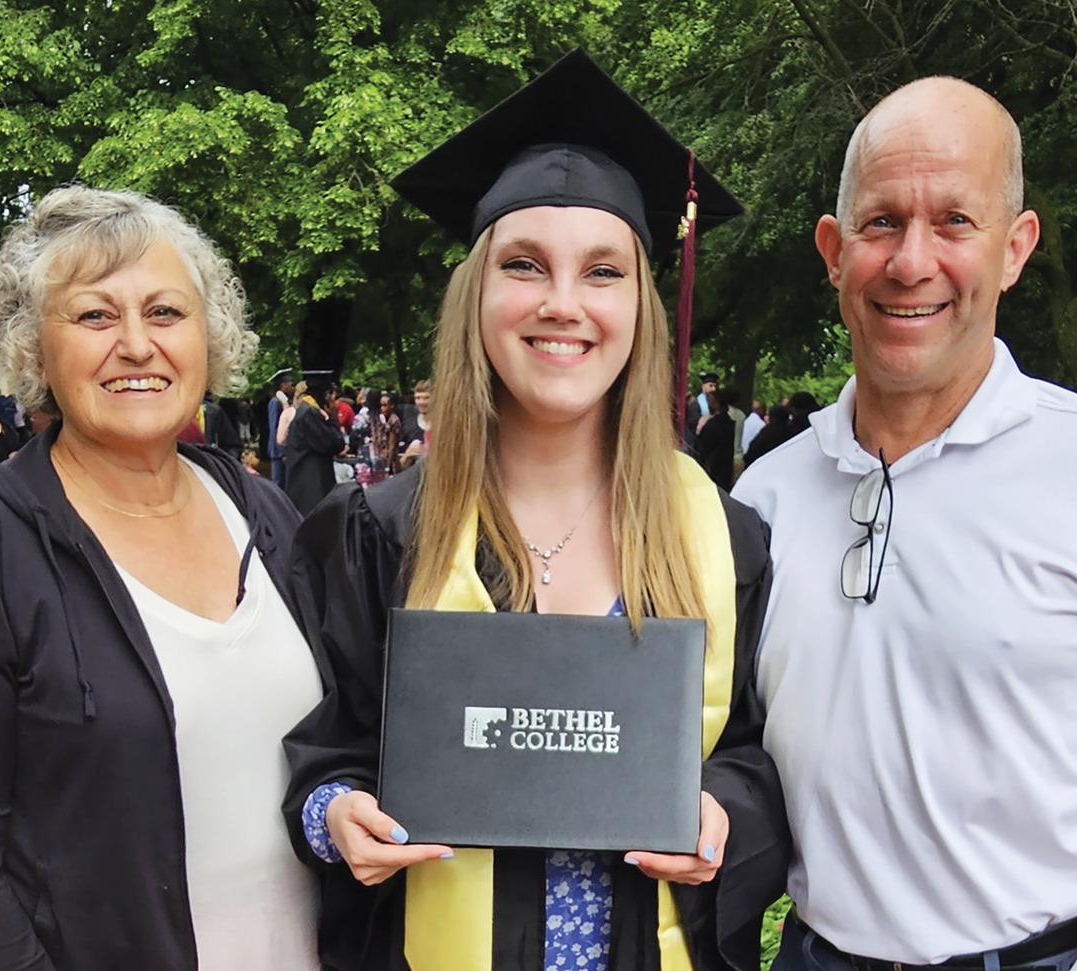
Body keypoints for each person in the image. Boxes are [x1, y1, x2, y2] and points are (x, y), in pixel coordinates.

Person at [282, 49, 790, 971]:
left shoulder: (721, 538)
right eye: (525, 264)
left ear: (643, 301)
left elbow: (755, 755)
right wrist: (336, 815)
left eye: (603, 271)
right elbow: (329, 751)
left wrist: (723, 813)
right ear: (476, 293)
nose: (564, 304)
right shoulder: (384, 534)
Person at [732, 76, 1077, 970]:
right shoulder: (764, 499)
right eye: (883, 221)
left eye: (956, 223)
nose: (910, 261)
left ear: (1016, 248)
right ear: (833, 248)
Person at [0, 185, 324, 971]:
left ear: (207, 337)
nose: (136, 344)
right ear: (34, 347)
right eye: (96, 316)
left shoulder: (260, 510)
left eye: (165, 313)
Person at [284, 371, 346, 517]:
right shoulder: (309, 414)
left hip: (307, 484)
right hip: (311, 486)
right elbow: (335, 444)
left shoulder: (305, 411)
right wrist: (333, 418)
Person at [694, 390, 736, 491]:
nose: (709, 404)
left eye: (711, 401)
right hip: (725, 471)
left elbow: (701, 449)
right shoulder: (729, 422)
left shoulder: (713, 425)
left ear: (717, 403)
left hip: (711, 470)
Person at [268, 367, 294, 487]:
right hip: (278, 450)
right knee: (278, 482)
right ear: (283, 385)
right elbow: (274, 427)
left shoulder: (284, 402)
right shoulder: (276, 402)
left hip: (281, 449)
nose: (292, 387)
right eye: (290, 384)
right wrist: (281, 450)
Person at [398, 378, 432, 470]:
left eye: (426, 398)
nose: (421, 402)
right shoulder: (409, 426)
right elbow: (402, 465)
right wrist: (407, 455)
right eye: (418, 398)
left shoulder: (444, 425)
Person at [368, 391, 402, 475]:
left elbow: (392, 446)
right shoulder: (384, 419)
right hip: (381, 458)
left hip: (390, 461)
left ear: (392, 406)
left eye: (385, 405)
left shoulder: (394, 421)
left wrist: (388, 467)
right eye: (381, 405)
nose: (382, 408)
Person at [685, 371, 719, 450]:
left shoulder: (716, 404)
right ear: (703, 386)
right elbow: (693, 425)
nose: (713, 389)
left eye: (715, 386)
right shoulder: (696, 404)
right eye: (710, 386)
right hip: (697, 444)